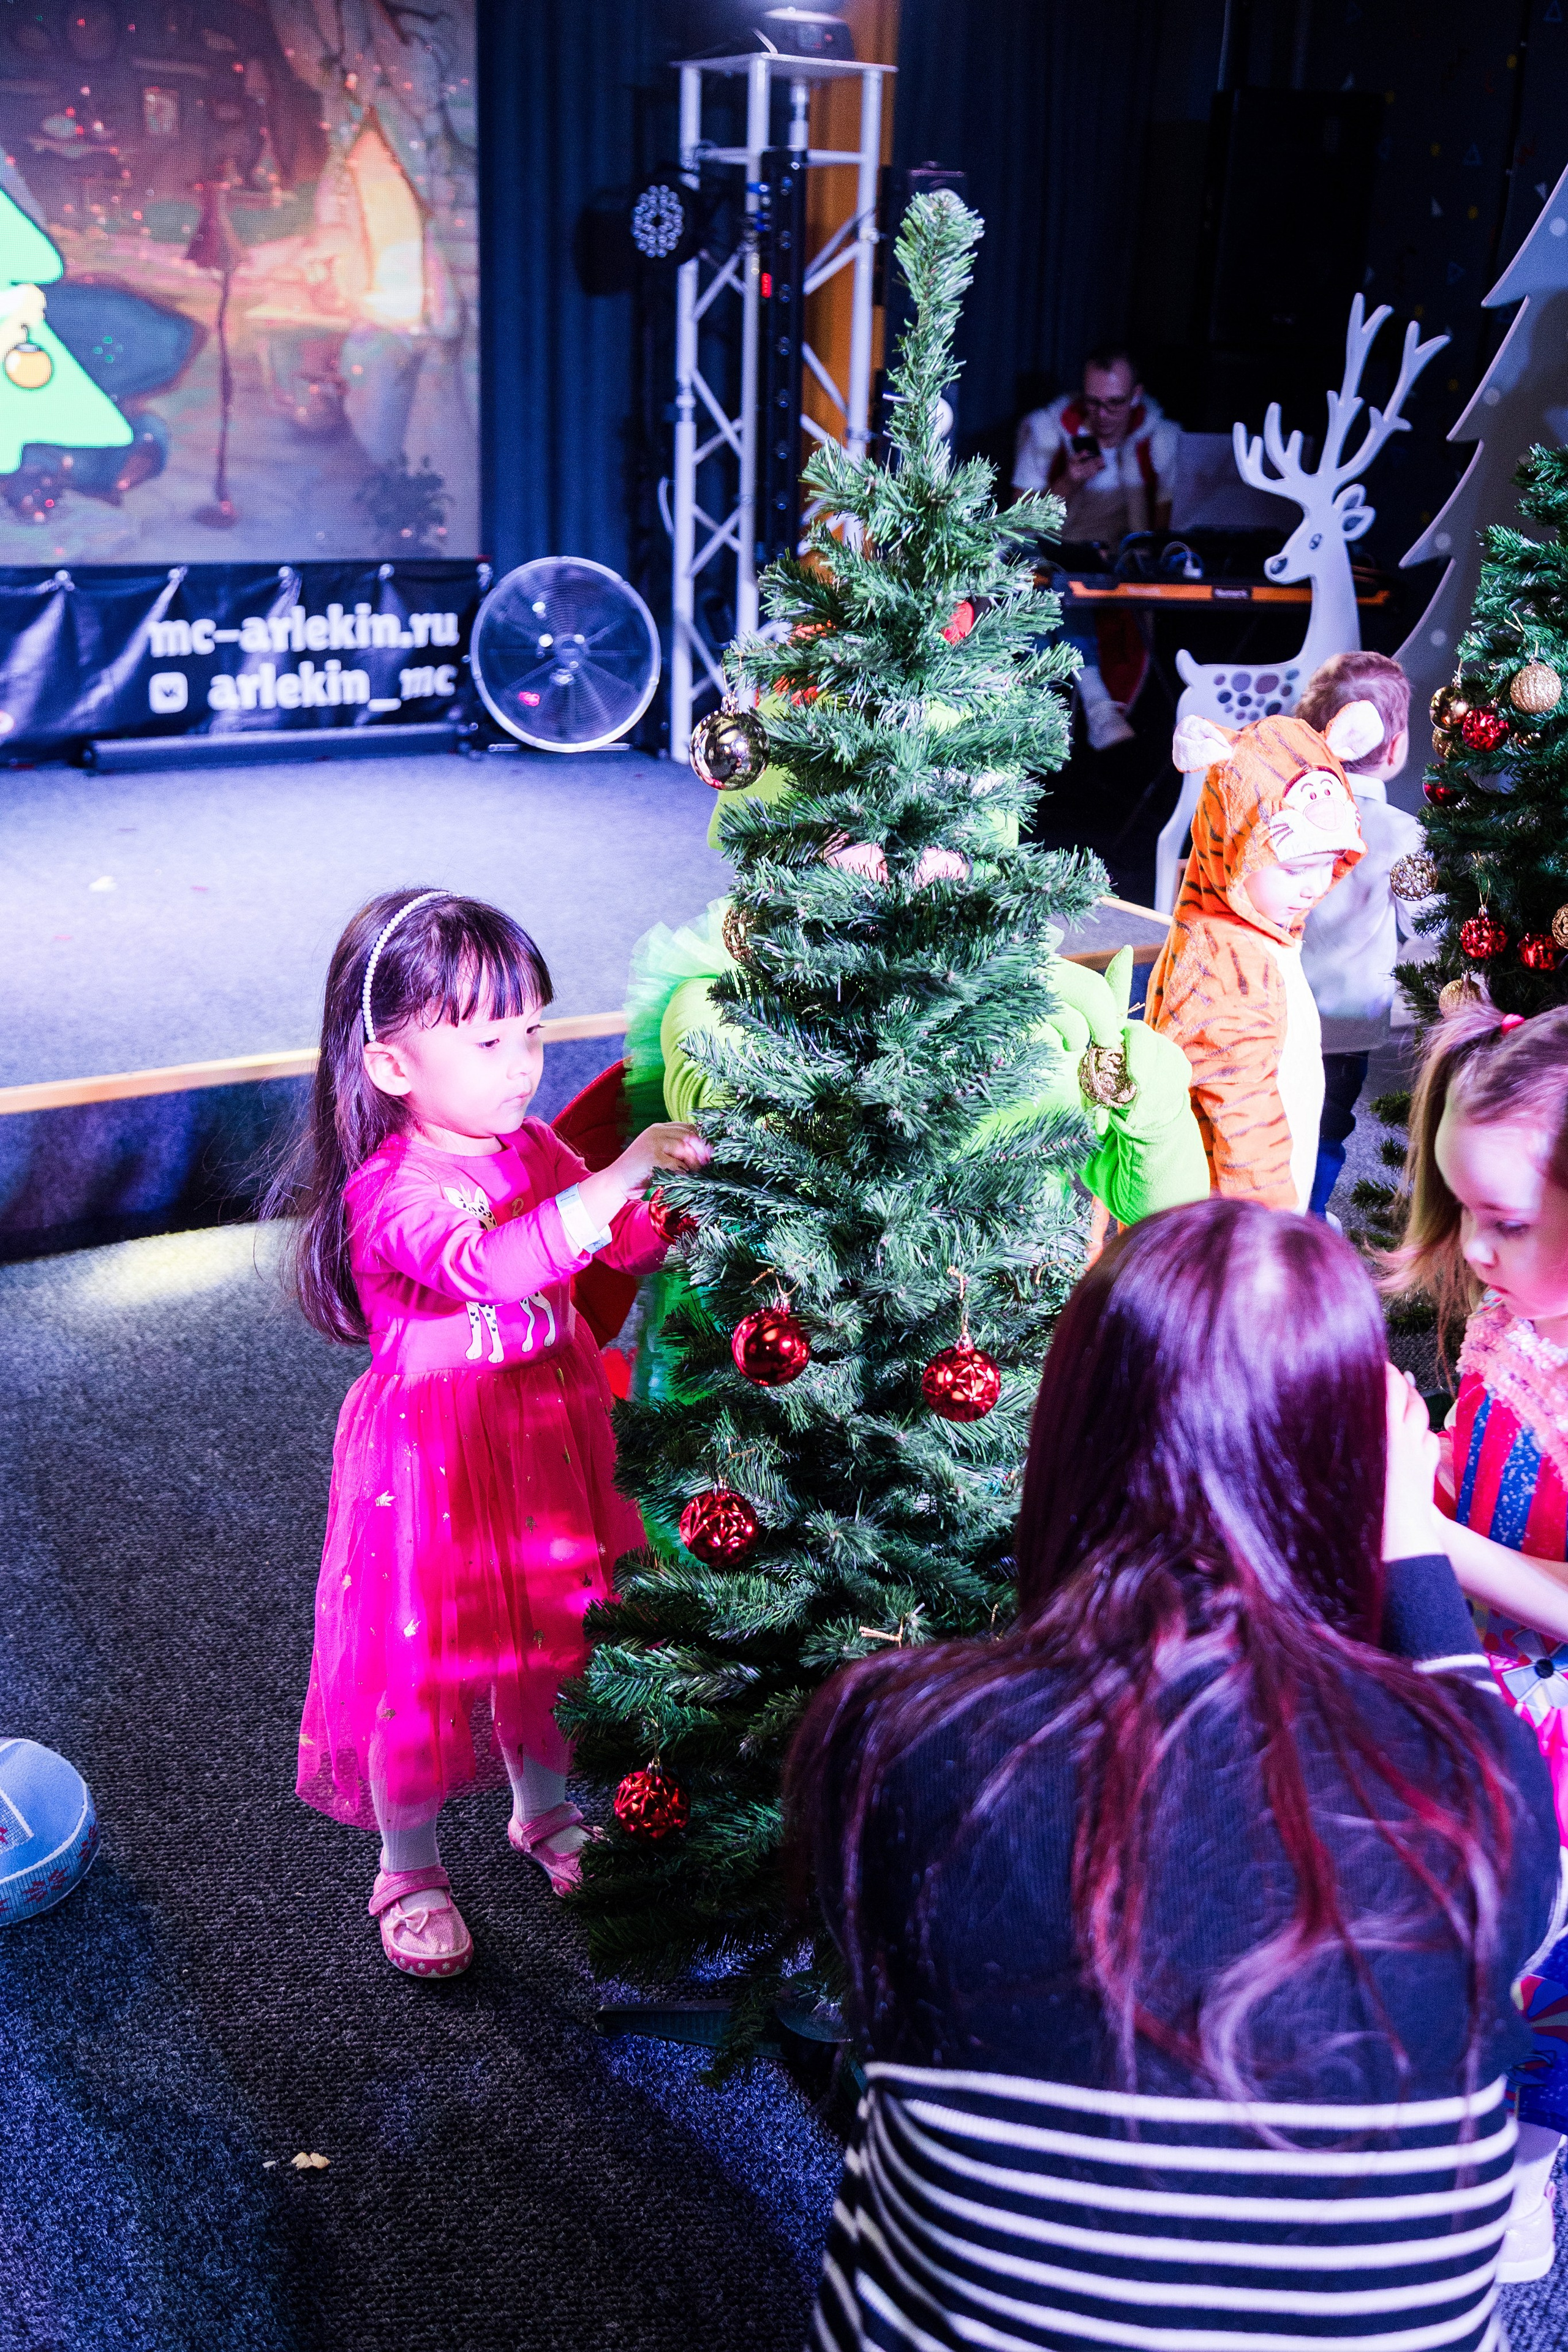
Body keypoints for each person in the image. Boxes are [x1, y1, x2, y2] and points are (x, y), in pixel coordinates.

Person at [788, 1198, 1560, 2348]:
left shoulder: (898, 1729)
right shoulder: (1480, 1787)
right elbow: (1479, 1754)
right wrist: (1407, 1535)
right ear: (1364, 1468)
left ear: (1070, 1433)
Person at [271, 889, 708, 1978]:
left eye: (533, 1032)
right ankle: (407, 1865)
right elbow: (492, 1268)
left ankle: (543, 1811)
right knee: (422, 1670)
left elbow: (618, 1254)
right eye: (487, 1039)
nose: (522, 1064)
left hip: (550, 1436)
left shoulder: (535, 1146)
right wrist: (627, 1170)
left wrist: (679, 1205)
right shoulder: (393, 1190)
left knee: (552, 1646)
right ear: (391, 1066)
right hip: (434, 1464)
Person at [1386, 1001, 1568, 2279]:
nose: (1468, 1252)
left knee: (1537, 1970)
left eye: (1503, 1222)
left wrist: (1419, 1538)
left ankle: (1517, 2169)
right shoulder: (1517, 1308)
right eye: (1455, 1210)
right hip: (1472, 1664)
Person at [1146, 702, 1376, 1209]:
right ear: (1231, 846)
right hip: (1228, 1232)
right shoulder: (1226, 965)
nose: (1315, 888)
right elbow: (1245, 1124)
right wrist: (1270, 1241)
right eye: (1293, 868)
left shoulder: (1259, 935)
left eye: (1331, 862)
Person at [1296, 650, 1425, 1218]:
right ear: (1396, 750)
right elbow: (1426, 924)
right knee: (1329, 1122)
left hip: (1277, 1004)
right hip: (1348, 1020)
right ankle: (1312, 1215)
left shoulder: (1284, 814)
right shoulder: (1402, 834)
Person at [1012, 346, 1180, 750]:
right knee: (1055, 579)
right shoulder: (1049, 431)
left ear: (1136, 396)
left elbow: (1166, 529)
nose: (1103, 415)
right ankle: (1094, 700)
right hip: (1052, 552)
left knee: (1069, 581)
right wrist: (1068, 482)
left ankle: (1053, 714)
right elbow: (1018, 525)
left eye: (1115, 404)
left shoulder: (1158, 439)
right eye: (1094, 403)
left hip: (1119, 562)